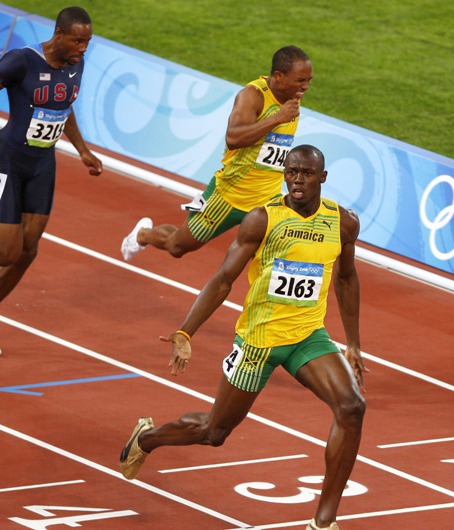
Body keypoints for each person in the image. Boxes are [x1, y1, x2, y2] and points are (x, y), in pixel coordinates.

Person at [119, 145, 368, 530]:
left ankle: (323, 521)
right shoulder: (262, 219)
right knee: (213, 432)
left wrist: (352, 342)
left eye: (306, 173)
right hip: (258, 341)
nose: (297, 179)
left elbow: (347, 278)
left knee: (351, 407)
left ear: (323, 178)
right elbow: (222, 280)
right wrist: (187, 330)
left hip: (307, 335)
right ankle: (146, 439)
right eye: (291, 172)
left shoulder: (342, 222)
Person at [121, 45, 313, 262]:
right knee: (177, 246)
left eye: (309, 80)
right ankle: (143, 235)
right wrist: (277, 118)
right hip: (229, 197)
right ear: (279, 76)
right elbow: (233, 138)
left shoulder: (292, 96)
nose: (305, 87)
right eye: (300, 80)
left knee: (279, 257)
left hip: (267, 199)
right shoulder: (253, 96)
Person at [0, 6, 103, 302]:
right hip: (8, 161)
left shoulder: (76, 64)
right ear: (59, 34)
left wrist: (83, 150)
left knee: (27, 251)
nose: (83, 49)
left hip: (43, 166)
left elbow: (63, 107)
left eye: (87, 42)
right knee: (7, 252)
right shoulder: (21, 61)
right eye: (77, 41)